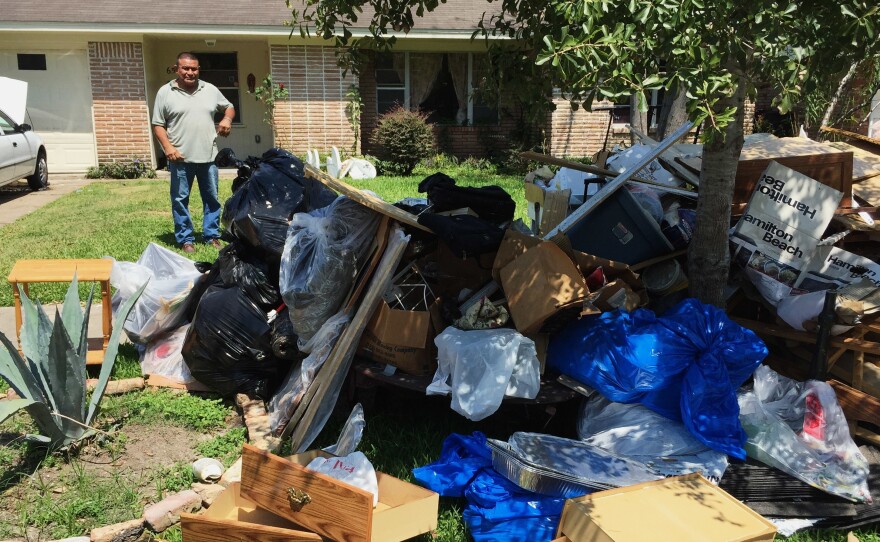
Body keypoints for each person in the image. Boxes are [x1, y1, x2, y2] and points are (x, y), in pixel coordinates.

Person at [152, 52, 235, 253]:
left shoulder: (210, 89)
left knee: (212, 199)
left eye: (194, 68)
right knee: (180, 200)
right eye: (186, 68)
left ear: (198, 69)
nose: (190, 72)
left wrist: (227, 119)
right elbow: (158, 124)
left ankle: (212, 235)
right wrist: (168, 148)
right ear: (177, 68)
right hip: (180, 157)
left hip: (208, 156)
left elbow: (229, 107)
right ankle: (186, 239)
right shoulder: (165, 92)